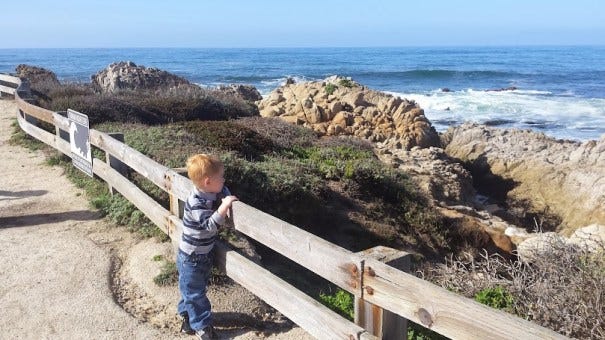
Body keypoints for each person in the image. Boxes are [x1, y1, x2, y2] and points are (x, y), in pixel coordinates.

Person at [177, 154, 238, 340]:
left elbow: (223, 190)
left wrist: (225, 195)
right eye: (221, 177)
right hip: (191, 256)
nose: (224, 180)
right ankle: (202, 328)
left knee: (192, 289)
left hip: (201, 254)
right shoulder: (196, 202)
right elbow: (210, 225)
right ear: (208, 181)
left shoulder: (210, 191)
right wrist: (225, 206)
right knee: (194, 292)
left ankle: (187, 319)